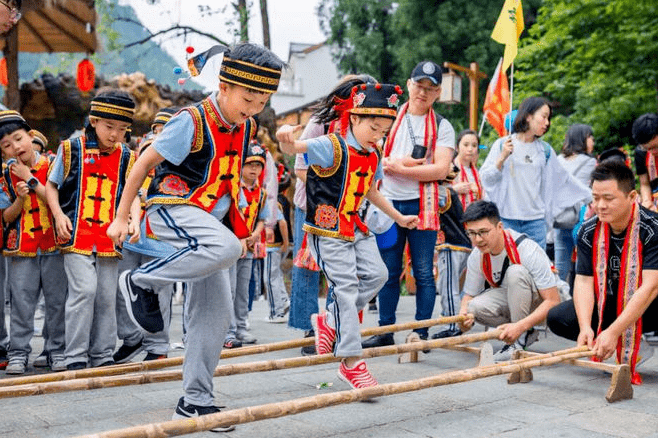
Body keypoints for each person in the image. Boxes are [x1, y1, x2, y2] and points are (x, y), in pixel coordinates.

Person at [106, 43, 285, 431]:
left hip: (206, 223)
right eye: (247, 98)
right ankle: (139, 282)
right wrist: (122, 216)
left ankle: (195, 401)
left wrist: (243, 226)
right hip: (172, 207)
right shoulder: (191, 120)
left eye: (262, 101)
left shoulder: (246, 126)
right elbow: (143, 163)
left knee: (214, 314)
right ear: (223, 85)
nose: (253, 107)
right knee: (224, 247)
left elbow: (228, 184)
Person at [277, 82, 417, 388]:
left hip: (356, 227)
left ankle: (329, 321)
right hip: (326, 230)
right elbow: (293, 150)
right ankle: (352, 361)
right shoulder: (331, 145)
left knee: (378, 275)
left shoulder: (374, 151)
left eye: (384, 130)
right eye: (374, 127)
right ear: (354, 118)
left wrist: (398, 217)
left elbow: (370, 190)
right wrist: (283, 136)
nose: (379, 135)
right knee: (345, 288)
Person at [363, 61, 455, 348]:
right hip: (387, 202)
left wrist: (399, 168)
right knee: (388, 271)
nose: (423, 93)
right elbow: (368, 148)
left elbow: (441, 170)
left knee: (424, 271)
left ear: (438, 92)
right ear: (409, 84)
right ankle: (385, 330)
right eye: (419, 86)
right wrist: (393, 164)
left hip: (422, 206)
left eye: (430, 88)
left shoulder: (442, 126)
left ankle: (422, 330)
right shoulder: (390, 117)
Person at [46, 89, 139, 370]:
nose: (114, 134)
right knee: (84, 290)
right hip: (75, 234)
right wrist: (59, 214)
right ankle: (75, 355)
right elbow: (52, 185)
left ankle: (101, 354)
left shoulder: (127, 156)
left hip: (110, 239)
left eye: (122, 129)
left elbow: (132, 193)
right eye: (109, 127)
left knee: (106, 296)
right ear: (94, 121)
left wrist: (134, 218)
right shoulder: (70, 149)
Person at [547, 161, 658, 384]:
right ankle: (613, 339)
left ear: (632, 196)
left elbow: (650, 287)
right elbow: (584, 282)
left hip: (650, 304)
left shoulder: (652, 228)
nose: (600, 205)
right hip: (607, 301)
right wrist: (586, 327)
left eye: (608, 198)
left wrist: (615, 331)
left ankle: (630, 338)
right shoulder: (588, 230)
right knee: (558, 318)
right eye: (595, 198)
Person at [289, 74, 375, 355]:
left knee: (344, 273)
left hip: (349, 212)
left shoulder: (367, 130)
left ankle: (334, 325)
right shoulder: (320, 123)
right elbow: (300, 166)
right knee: (307, 266)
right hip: (312, 205)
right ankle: (307, 330)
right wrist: (327, 192)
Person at [0, 111, 67, 374]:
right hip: (22, 248)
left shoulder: (53, 166)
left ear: (30, 136)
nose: (15, 147)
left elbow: (57, 201)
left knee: (56, 300)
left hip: (53, 242)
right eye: (6, 146)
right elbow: (6, 216)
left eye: (18, 139)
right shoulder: (5, 175)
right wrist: (18, 199)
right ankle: (18, 352)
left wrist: (29, 177)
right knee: (21, 301)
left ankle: (56, 349)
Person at [479, 96, 591, 250]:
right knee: (507, 269)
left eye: (548, 118)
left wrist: (591, 196)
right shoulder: (502, 145)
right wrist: (502, 158)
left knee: (536, 272)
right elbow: (486, 179)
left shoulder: (545, 151)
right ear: (528, 116)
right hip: (506, 221)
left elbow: (564, 179)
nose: (547, 123)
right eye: (544, 117)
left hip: (536, 223)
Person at [113, 107, 179, 364]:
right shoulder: (138, 157)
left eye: (166, 131)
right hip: (131, 235)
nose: (160, 137)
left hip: (162, 240)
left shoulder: (183, 160)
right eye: (156, 131)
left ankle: (157, 344)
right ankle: (131, 339)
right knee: (124, 289)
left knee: (158, 293)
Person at [458, 200, 561, 361]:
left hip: (545, 304)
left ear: (499, 227)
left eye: (483, 232)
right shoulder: (477, 255)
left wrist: (519, 326)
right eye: (471, 233)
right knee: (473, 307)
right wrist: (463, 318)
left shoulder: (527, 249)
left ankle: (518, 341)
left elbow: (553, 300)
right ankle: (525, 332)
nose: (477, 239)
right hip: (512, 300)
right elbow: (468, 296)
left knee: (515, 273)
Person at [224, 141, 268, 348]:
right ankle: (228, 331)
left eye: (258, 165)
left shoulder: (262, 193)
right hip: (232, 245)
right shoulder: (234, 188)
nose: (254, 169)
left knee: (242, 291)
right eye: (249, 164)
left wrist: (255, 235)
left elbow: (262, 219)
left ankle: (241, 327)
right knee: (229, 289)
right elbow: (236, 214)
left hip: (248, 248)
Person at [431, 168, 471, 339]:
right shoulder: (450, 191)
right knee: (448, 286)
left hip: (451, 244)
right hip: (458, 244)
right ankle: (451, 320)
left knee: (448, 287)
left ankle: (454, 325)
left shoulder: (443, 192)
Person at [554, 124, 597, 283]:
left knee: (560, 267)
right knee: (582, 265)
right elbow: (585, 190)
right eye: (590, 137)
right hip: (581, 216)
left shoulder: (557, 160)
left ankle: (557, 300)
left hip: (561, 216)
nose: (592, 141)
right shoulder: (589, 161)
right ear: (582, 139)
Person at [264, 166, 290, 323]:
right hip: (276, 246)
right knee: (276, 276)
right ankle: (283, 300)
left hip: (272, 246)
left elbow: (282, 223)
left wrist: (286, 242)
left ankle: (277, 312)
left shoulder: (273, 202)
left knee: (270, 278)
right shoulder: (282, 200)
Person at [632, 113, 658, 211]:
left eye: (656, 147)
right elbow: (644, 183)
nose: (653, 152)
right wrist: (647, 201)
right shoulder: (641, 153)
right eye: (648, 148)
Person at [452, 129, 483, 212]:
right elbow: (438, 192)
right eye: (466, 145)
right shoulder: (451, 168)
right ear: (457, 147)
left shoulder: (477, 173)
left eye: (474, 145)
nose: (470, 149)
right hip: (454, 218)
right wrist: (454, 189)